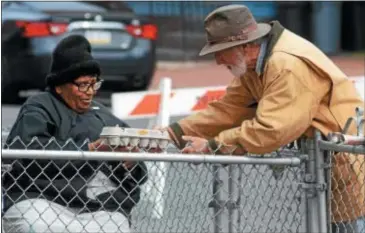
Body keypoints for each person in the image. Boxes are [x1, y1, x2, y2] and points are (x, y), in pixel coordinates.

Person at [161, 4, 365, 233]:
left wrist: (212, 145)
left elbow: (274, 128)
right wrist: (171, 134)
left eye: (220, 51)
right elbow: (229, 109)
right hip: (330, 163)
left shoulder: (286, 64)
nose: (218, 61)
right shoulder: (256, 63)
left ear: (245, 46)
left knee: (347, 226)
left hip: (346, 165)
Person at [2, 35, 147, 233]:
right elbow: (27, 151)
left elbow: (136, 175)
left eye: (94, 84)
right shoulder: (40, 106)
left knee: (116, 225)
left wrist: (129, 163)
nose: (90, 92)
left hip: (97, 207)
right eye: (83, 85)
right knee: (37, 225)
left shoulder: (103, 115)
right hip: (41, 200)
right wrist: (91, 149)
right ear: (60, 86)